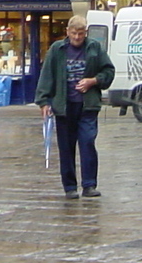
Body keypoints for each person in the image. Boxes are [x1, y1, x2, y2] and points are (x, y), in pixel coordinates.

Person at [35, 16, 115, 198]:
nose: (77, 37)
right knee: (66, 147)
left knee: (87, 143)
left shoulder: (94, 47)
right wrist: (44, 101)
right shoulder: (57, 49)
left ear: (85, 33)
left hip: (88, 106)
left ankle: (89, 185)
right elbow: (47, 76)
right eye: (74, 33)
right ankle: (70, 187)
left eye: (81, 33)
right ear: (67, 32)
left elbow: (109, 71)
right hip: (64, 107)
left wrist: (93, 81)